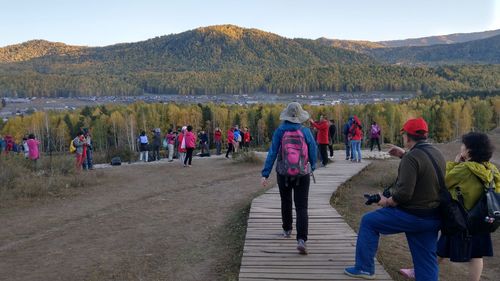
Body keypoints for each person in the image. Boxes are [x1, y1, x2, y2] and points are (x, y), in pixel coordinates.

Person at [344, 118, 444, 281]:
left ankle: (364, 268)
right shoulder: (436, 153)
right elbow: (424, 168)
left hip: (412, 215)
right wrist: (404, 155)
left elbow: (403, 194)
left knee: (369, 222)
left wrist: (386, 201)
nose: (403, 137)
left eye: (404, 134)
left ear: (408, 136)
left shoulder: (412, 158)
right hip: (432, 216)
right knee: (426, 262)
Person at [400, 132, 500, 281]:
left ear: (469, 151)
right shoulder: (492, 169)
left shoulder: (464, 169)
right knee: (476, 254)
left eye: (463, 146)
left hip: (461, 217)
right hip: (481, 217)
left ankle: (419, 271)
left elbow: (443, 181)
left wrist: (455, 163)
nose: (461, 148)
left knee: (441, 246)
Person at [261, 102, 317, 255]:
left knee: (285, 201)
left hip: (283, 173)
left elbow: (272, 152)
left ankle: (287, 230)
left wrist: (265, 174)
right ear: (300, 116)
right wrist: (312, 166)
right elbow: (313, 149)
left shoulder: (280, 131)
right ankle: (301, 240)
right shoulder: (305, 131)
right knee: (301, 207)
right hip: (302, 173)